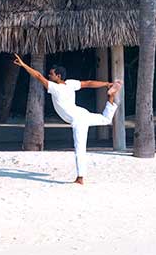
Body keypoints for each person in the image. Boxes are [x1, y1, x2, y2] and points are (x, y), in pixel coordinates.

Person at [13, 55, 122, 184]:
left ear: (58, 76)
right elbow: (87, 83)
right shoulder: (70, 83)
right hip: (82, 113)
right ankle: (111, 95)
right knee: (106, 119)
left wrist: (24, 65)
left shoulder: (56, 88)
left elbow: (37, 76)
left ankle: (80, 178)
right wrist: (106, 84)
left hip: (78, 120)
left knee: (80, 148)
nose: (49, 76)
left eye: (51, 74)